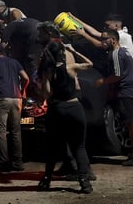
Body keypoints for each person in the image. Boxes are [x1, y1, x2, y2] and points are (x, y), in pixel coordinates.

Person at [71, 12, 133, 158]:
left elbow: (98, 42)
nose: (104, 29)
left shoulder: (121, 39)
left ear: (116, 26)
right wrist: (76, 20)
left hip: (129, 81)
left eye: (107, 26)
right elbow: (97, 33)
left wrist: (82, 34)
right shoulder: (121, 37)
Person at [37, 36, 94, 194]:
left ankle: (46, 180)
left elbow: (47, 94)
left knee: (53, 147)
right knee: (79, 147)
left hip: (57, 109)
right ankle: (84, 182)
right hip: (75, 107)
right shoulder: (70, 67)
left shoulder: (48, 72)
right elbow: (90, 64)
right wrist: (74, 51)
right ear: (62, 52)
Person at [96, 29, 133, 166]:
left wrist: (103, 81)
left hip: (127, 92)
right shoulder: (125, 51)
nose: (103, 42)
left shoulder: (116, 54)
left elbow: (118, 75)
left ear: (113, 39)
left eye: (105, 39)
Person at [0, 42, 29, 172]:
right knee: (16, 131)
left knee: (1, 131)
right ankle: (18, 163)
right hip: (16, 99)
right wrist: (23, 91)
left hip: (2, 99)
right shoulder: (15, 62)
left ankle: (4, 163)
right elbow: (25, 78)